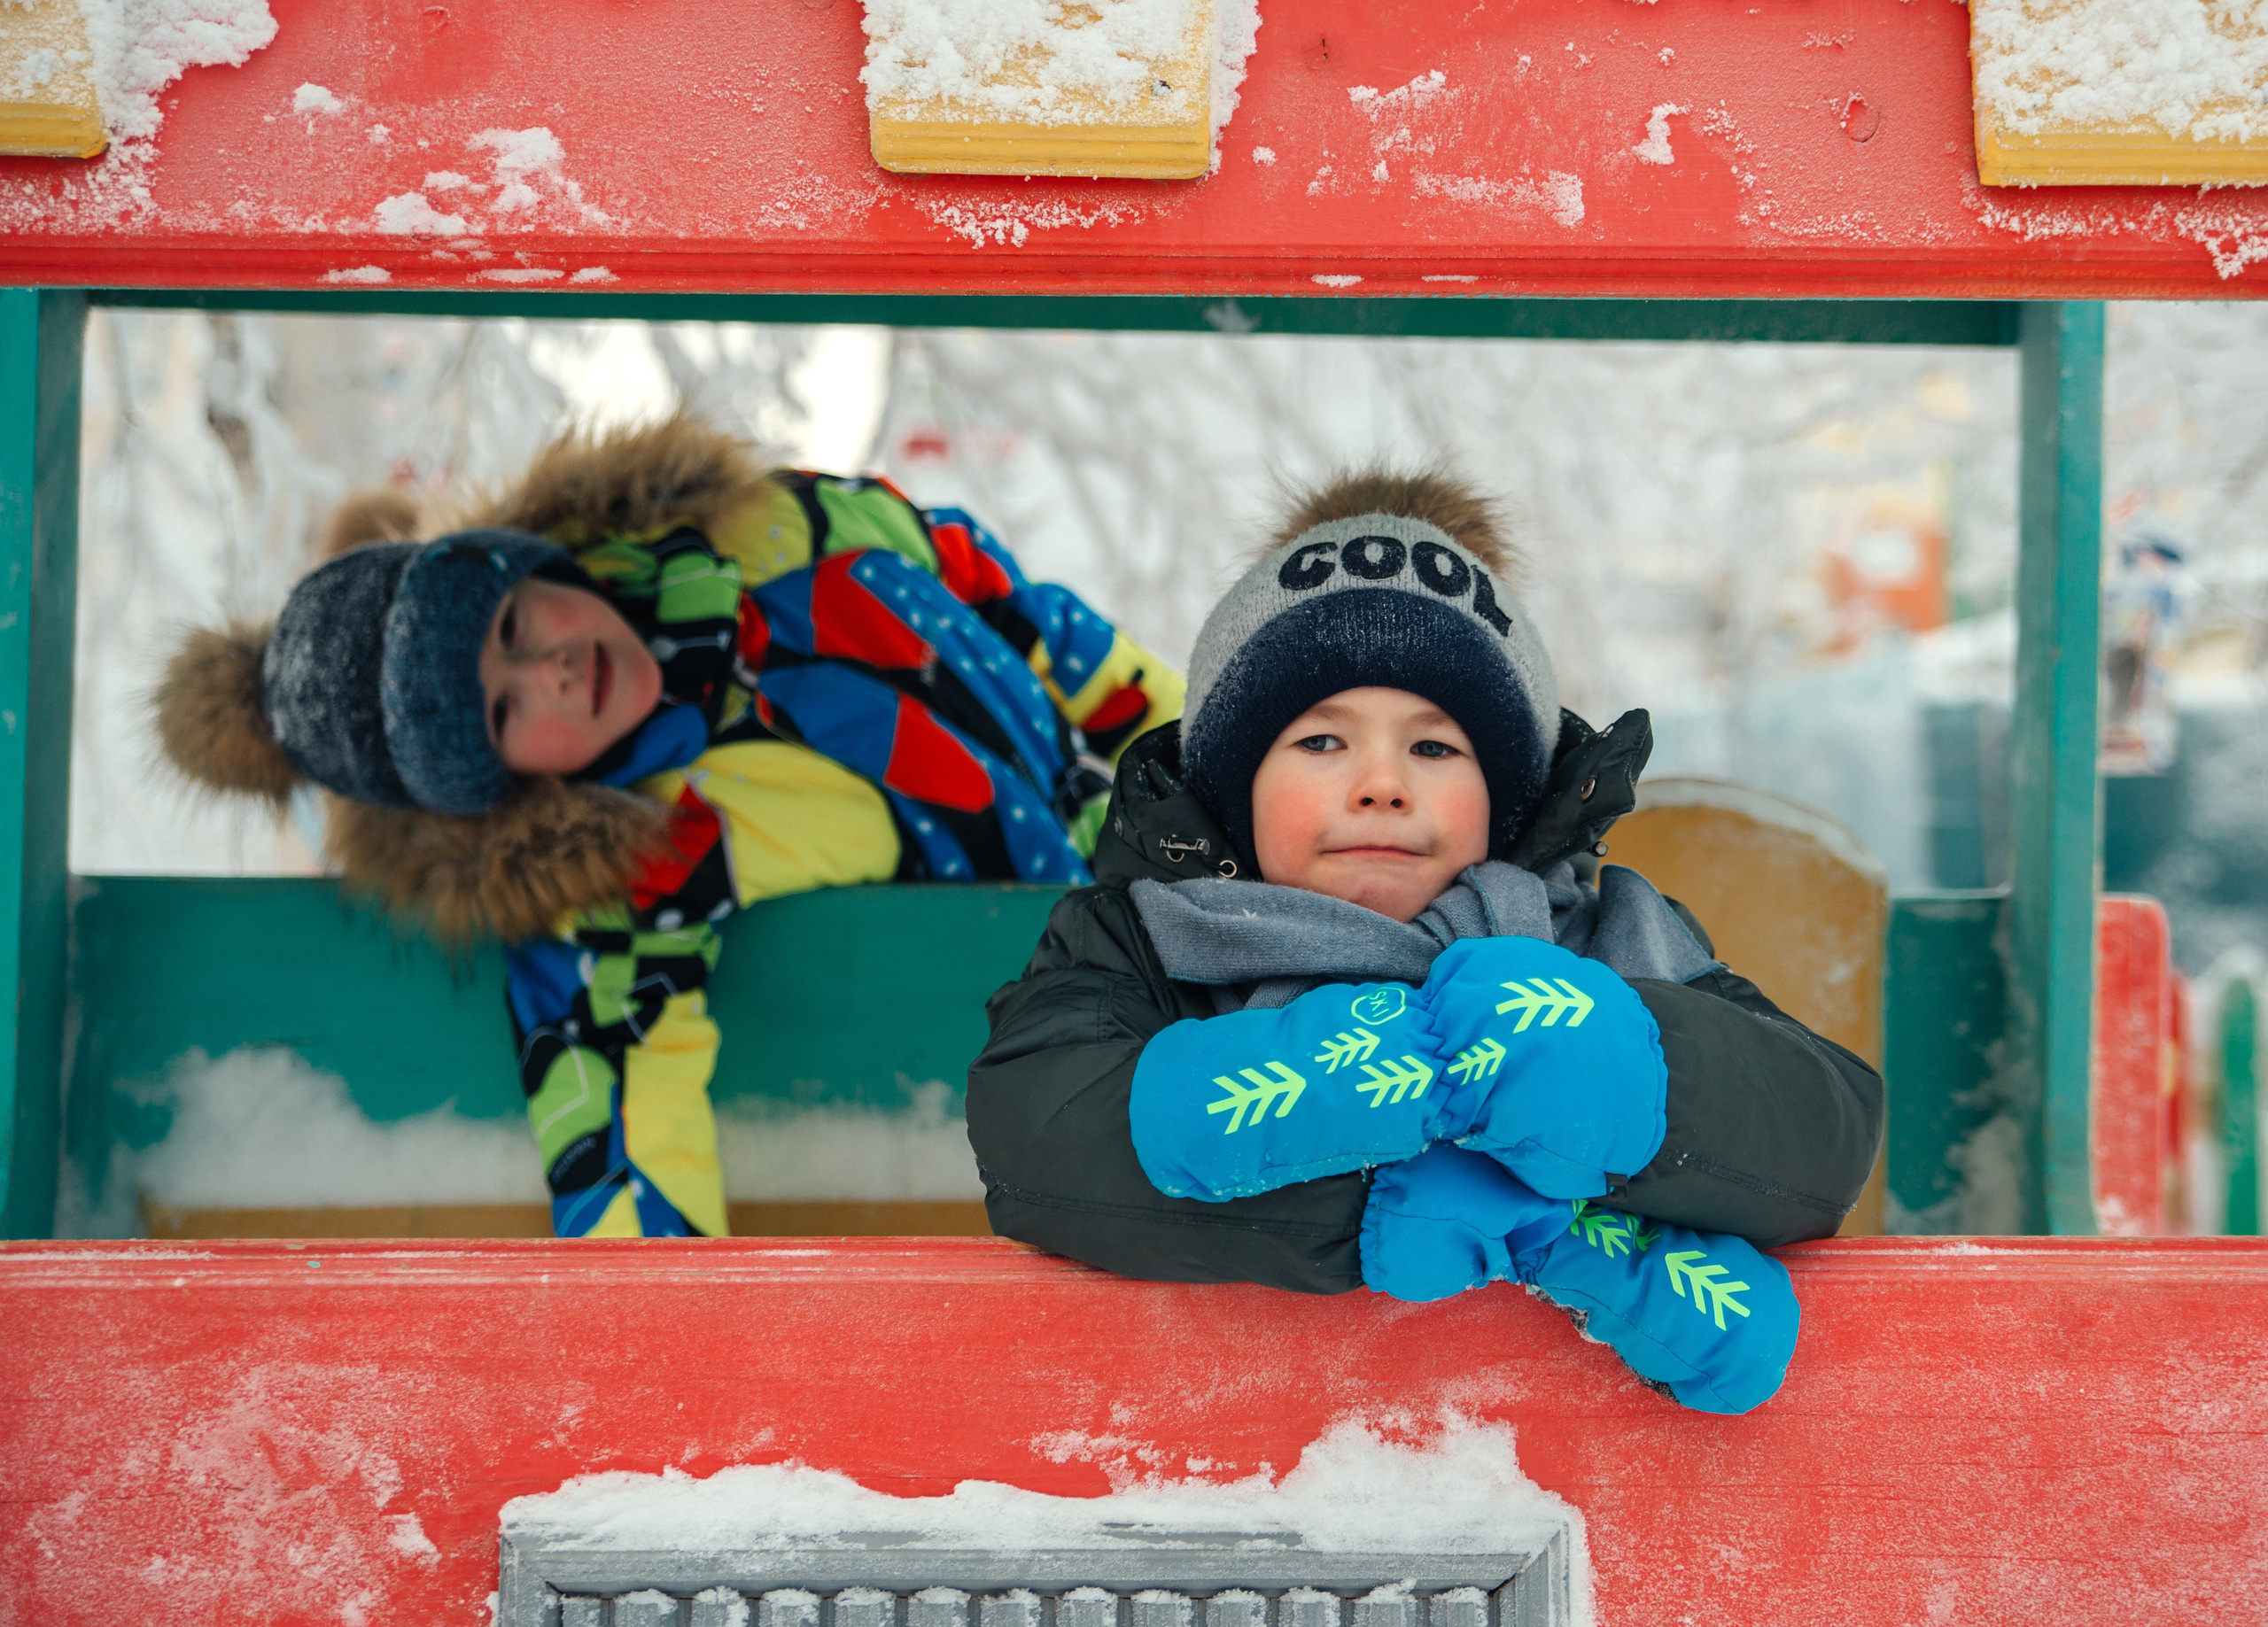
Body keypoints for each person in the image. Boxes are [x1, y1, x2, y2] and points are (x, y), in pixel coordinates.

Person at [964, 469, 1884, 1414]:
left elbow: (1822, 1138)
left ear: (1506, 793)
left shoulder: (1611, 936)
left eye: (1434, 748)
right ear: (1236, 783)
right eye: (1321, 742)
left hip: (1541, 1462)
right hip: (1222, 1452)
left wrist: (1628, 1076)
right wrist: (1420, 1197)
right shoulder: (1148, 936)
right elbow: (1040, 1132)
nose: (1380, 785)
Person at [157, 416, 1182, 1240]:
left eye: (515, 630)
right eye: (503, 714)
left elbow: (1025, 616)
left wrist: (1222, 765)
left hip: (1163, 852)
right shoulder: (625, 878)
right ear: (499, 783)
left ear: (531, 568)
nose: (553, 673)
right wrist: (679, 1401)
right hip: (1081, 1026)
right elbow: (625, 1160)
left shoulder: (775, 530)